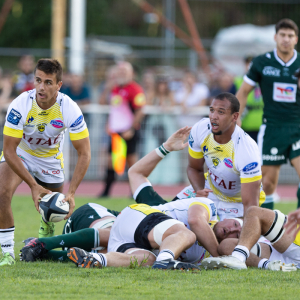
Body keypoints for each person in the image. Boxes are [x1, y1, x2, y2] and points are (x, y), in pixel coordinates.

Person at [20, 127, 243, 268]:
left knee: (144, 258)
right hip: (94, 217)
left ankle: (53, 256)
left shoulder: (176, 219)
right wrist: (165, 148)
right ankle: (42, 243)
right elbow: (135, 173)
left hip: (131, 239)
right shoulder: (182, 208)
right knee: (112, 226)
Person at [0, 59, 91, 266]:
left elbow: (84, 153)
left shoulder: (69, 108)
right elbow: (9, 150)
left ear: (59, 85)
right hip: (21, 153)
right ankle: (7, 253)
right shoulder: (20, 105)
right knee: (1, 192)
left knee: (52, 211)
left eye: (48, 82)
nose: (41, 87)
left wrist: (72, 192)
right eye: (38, 80)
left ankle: (43, 239)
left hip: (51, 160)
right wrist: (33, 185)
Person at [236, 19, 300, 210]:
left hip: (297, 127)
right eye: (283, 35)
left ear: (296, 39)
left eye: (290, 36)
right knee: (268, 183)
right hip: (272, 128)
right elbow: (244, 91)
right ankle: (270, 229)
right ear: (275, 37)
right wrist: (236, 116)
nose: (286, 39)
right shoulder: (261, 63)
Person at [177, 92, 265, 221]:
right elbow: (194, 168)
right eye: (212, 110)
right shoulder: (200, 128)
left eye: (221, 112)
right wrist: (200, 191)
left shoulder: (247, 149)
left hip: (237, 202)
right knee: (166, 217)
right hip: (210, 189)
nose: (213, 116)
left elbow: (250, 206)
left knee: (225, 238)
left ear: (234, 117)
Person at [99, 61, 146, 198]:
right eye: (119, 72)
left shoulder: (135, 89)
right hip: (116, 132)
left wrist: (131, 128)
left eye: (124, 72)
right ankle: (106, 191)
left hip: (129, 131)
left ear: (131, 74)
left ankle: (135, 192)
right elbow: (105, 104)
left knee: (132, 163)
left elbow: (140, 111)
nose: (121, 74)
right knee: (110, 161)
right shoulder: (114, 89)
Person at [201, 206, 299, 272]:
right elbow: (226, 246)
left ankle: (237, 258)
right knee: (226, 245)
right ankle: (241, 259)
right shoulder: (259, 242)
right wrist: (265, 265)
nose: (232, 230)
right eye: (237, 234)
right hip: (288, 262)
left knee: (253, 211)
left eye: (237, 225)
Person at [234, 57, 264, 142]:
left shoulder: (264, 81)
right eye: (247, 63)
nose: (249, 66)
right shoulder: (238, 81)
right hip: (245, 126)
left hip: (263, 126)